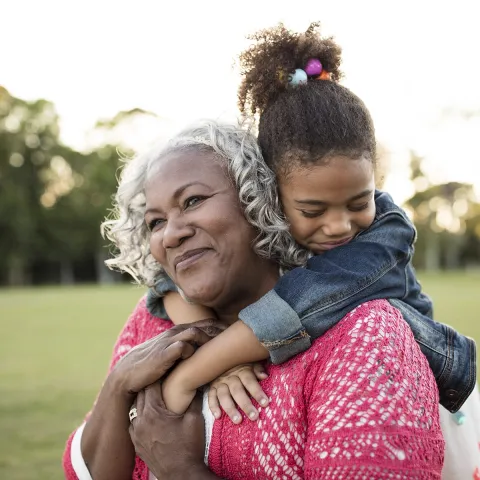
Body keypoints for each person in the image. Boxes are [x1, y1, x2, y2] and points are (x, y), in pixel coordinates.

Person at [63, 120, 444, 479]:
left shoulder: (361, 336)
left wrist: (180, 469)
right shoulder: (154, 327)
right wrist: (117, 386)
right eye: (155, 222)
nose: (170, 235)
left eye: (193, 200)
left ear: (260, 200)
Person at [146, 23, 476, 423]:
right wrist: (215, 349)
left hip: (413, 401)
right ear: (272, 194)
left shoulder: (386, 233)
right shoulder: (265, 225)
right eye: (313, 211)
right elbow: (168, 280)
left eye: (359, 201)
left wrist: (191, 374)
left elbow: (300, 305)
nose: (339, 226)